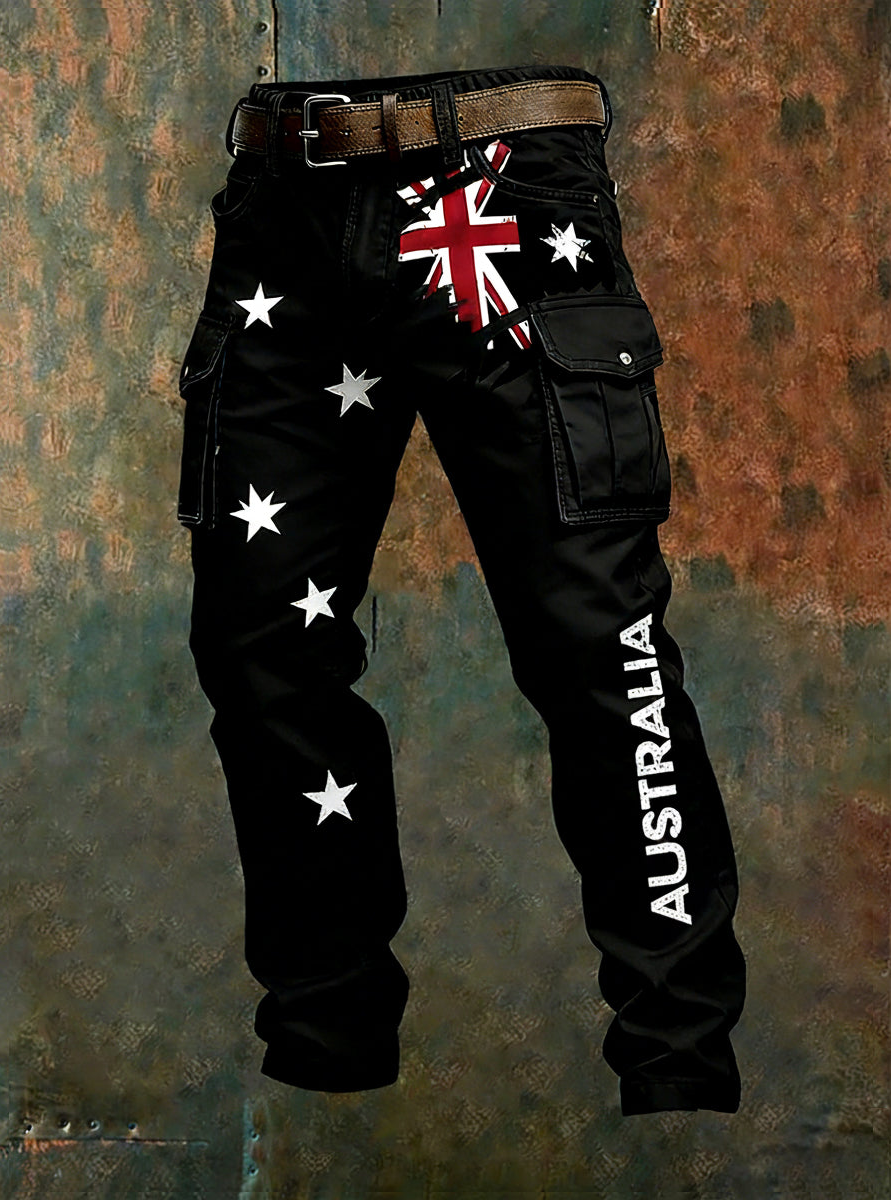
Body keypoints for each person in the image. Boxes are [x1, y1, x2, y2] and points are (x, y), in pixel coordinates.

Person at [175, 63, 747, 1117]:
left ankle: (679, 1058)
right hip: (287, 204)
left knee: (603, 649)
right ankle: (328, 1041)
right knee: (260, 649)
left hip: (507, 188)